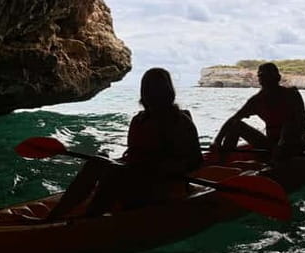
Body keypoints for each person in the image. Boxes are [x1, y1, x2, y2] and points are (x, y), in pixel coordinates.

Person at [50, 68, 202, 218]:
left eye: (154, 91)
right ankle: (56, 215)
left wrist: (158, 164)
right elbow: (134, 154)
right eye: (148, 90)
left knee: (116, 173)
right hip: (139, 182)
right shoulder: (139, 120)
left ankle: (89, 218)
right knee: (97, 161)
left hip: (164, 187)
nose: (150, 95)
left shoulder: (180, 121)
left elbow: (196, 162)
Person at [211, 62, 305, 162]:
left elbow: (299, 122)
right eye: (262, 76)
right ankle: (224, 162)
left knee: (288, 126)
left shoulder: (292, 95)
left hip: (296, 143)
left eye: (268, 76)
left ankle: (279, 162)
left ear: (277, 78)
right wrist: (217, 141)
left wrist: (284, 145)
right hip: (271, 144)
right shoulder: (257, 101)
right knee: (236, 125)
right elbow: (233, 120)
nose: (265, 79)